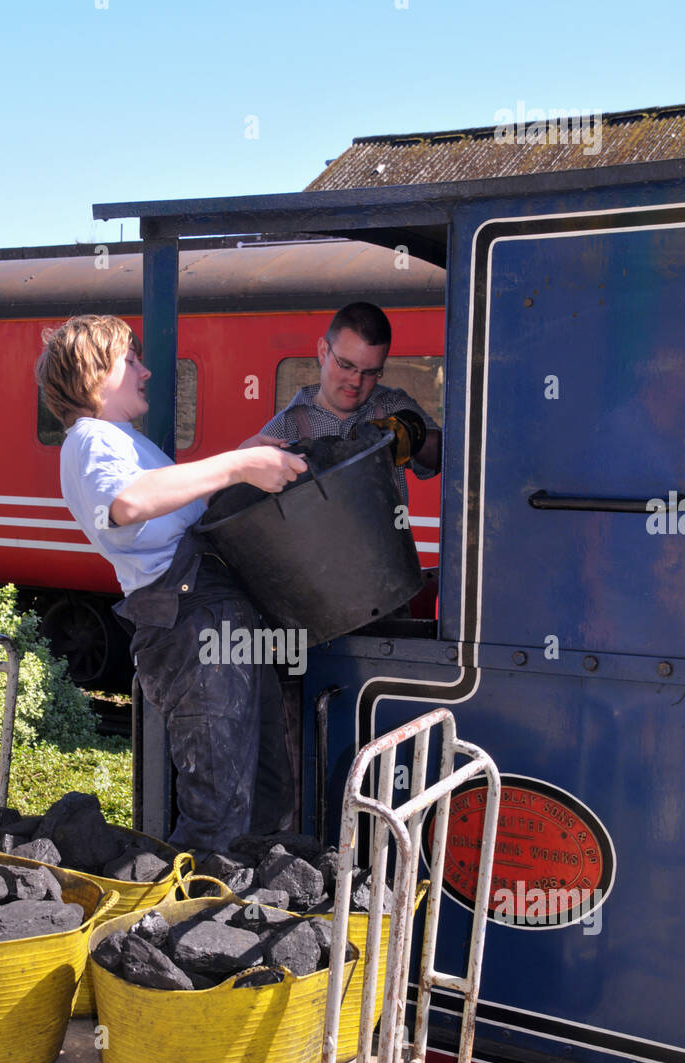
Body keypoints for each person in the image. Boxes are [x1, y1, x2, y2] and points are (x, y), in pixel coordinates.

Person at [35, 314, 305, 853]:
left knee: (265, 791)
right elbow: (129, 504)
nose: (146, 370)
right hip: (190, 627)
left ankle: (247, 909)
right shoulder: (89, 440)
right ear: (93, 374)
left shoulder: (124, 442)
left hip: (215, 620)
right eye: (130, 360)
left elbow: (178, 504)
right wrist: (238, 463)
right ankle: (186, 928)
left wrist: (250, 456)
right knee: (217, 811)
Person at [253, 301, 441, 506]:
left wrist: (413, 436)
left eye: (370, 372)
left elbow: (447, 457)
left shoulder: (391, 406)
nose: (356, 381)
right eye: (346, 365)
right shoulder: (285, 427)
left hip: (384, 537)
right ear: (323, 351)